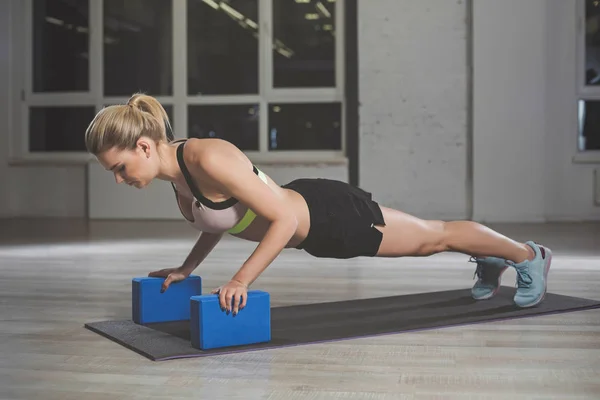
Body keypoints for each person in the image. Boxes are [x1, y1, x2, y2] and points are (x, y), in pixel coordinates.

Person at [85, 93, 552, 316]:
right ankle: (492, 260)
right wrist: (187, 269)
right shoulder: (180, 176)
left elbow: (283, 217)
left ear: (144, 147)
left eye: (119, 168)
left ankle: (529, 256)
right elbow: (219, 220)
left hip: (329, 215)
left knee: (432, 238)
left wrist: (241, 279)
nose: (119, 178)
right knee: (431, 239)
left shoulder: (207, 154)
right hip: (317, 231)